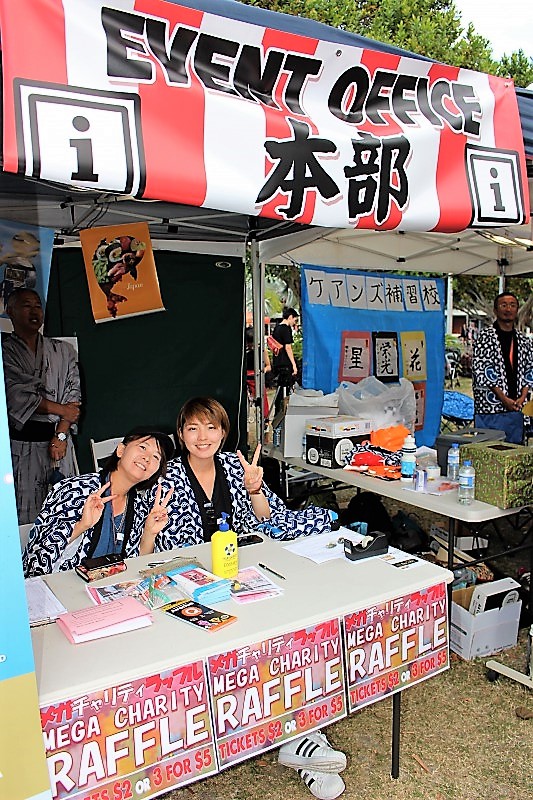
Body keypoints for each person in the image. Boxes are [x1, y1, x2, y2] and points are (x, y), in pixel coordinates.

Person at [154, 397, 346, 799]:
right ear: (181, 435)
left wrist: (256, 488)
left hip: (248, 572)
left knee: (289, 635)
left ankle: (302, 734)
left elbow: (267, 520)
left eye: (211, 427)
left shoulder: (233, 467)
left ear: (224, 432)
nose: (202, 436)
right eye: (192, 428)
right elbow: (163, 549)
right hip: (199, 586)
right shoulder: (168, 476)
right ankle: (292, 737)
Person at [22, 428, 175, 577]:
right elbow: (36, 562)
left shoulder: (140, 505)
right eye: (142, 447)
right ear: (120, 450)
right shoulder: (74, 490)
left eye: (156, 457)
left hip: (113, 594)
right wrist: (82, 525)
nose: (147, 458)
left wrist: (149, 533)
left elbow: (139, 568)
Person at [2, 287, 82, 523]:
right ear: (10, 312)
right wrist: (63, 410)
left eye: (38, 305)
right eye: (27, 305)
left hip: (61, 443)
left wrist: (62, 434)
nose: (34, 310)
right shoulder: (5, 353)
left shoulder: (63, 350)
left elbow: (73, 395)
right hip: (24, 447)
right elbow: (16, 395)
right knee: (27, 517)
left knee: (70, 511)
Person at [472, 292, 533, 445]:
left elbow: (529, 370)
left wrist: (522, 397)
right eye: (503, 305)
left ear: (517, 309)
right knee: (488, 452)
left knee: (514, 453)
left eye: (512, 305)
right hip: (490, 410)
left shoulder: (523, 340)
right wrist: (503, 398)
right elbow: (482, 370)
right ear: (495, 310)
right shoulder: (485, 338)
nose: (508, 309)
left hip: (516, 409)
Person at [271, 307, 299, 415]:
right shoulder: (286, 329)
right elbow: (288, 348)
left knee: (279, 389)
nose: (294, 322)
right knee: (286, 390)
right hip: (285, 363)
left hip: (277, 362)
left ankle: (278, 411)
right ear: (290, 317)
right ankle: (283, 412)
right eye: (294, 320)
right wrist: (294, 365)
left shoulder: (277, 328)